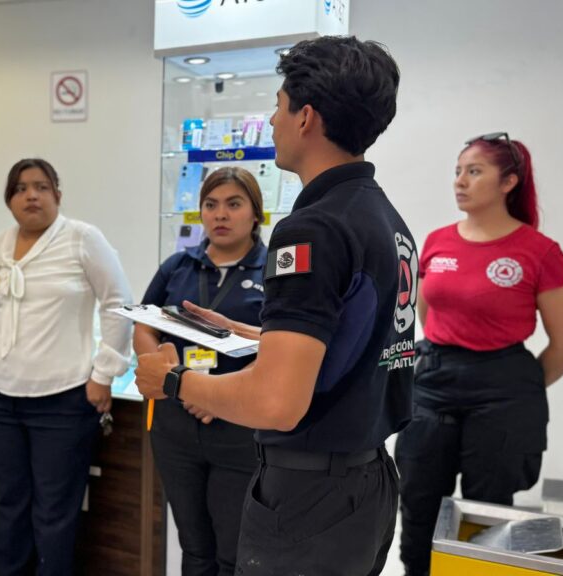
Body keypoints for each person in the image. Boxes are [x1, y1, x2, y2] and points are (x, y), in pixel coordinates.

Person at [136, 36, 412, 576]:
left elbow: (277, 401)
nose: (271, 119)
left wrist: (171, 382)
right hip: (365, 482)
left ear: (306, 117)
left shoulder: (313, 228)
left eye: (279, 105)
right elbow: (356, 345)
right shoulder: (382, 217)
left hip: (311, 492)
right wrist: (254, 334)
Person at [396, 133, 563, 576]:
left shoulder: (539, 252)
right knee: (418, 503)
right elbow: (426, 312)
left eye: (474, 171)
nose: (460, 181)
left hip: (504, 388)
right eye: (458, 171)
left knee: (487, 514)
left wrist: (518, 387)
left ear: (509, 182)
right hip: (434, 381)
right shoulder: (438, 241)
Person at [0, 158, 133, 576]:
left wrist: (103, 374)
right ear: (9, 199)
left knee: (54, 511)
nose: (31, 195)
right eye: (21, 187)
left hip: (62, 399)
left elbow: (118, 304)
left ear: (57, 196)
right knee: (9, 501)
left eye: (42, 187)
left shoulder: (83, 238)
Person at [134, 167, 266, 576]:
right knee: (193, 547)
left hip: (239, 426)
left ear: (255, 214)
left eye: (233, 204)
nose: (220, 215)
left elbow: (283, 347)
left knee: (232, 549)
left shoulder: (274, 272)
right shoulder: (178, 266)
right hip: (177, 425)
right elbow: (143, 325)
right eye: (211, 205)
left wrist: (217, 393)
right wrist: (169, 373)